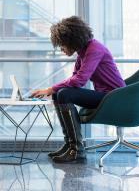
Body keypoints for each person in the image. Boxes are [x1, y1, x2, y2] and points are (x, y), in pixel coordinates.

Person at [30, 16, 126, 163]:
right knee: (59, 94)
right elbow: (75, 77)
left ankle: (77, 149)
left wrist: (49, 88)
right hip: (105, 96)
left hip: (115, 98)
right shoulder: (83, 52)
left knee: (63, 93)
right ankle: (70, 145)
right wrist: (53, 90)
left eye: (62, 45)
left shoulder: (95, 49)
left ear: (71, 40)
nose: (62, 49)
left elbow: (80, 80)